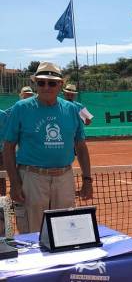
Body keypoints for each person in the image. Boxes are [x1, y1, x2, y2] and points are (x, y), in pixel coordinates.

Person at [2, 61, 93, 233]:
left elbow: (81, 146)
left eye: (51, 83)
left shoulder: (73, 109)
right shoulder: (21, 108)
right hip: (31, 178)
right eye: (41, 82)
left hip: (65, 178)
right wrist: (14, 183)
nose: (46, 87)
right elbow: (8, 147)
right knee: (33, 234)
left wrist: (87, 180)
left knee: (66, 232)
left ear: (60, 85)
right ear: (35, 83)